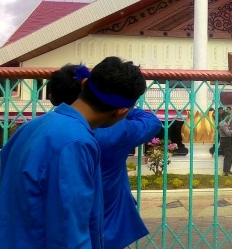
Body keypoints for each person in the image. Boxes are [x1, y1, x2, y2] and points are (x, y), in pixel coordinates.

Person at [0, 56, 146, 248]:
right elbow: (69, 231)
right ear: (121, 111)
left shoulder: (32, 126)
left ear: (84, 84)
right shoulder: (76, 142)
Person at [48, 63, 162, 249]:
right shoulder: (117, 129)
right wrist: (119, 101)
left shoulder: (40, 130)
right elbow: (152, 122)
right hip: (107, 227)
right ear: (85, 86)